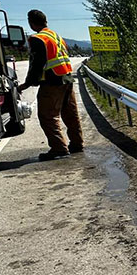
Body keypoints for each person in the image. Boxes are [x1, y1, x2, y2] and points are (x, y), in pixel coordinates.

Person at [17, 9, 84, 161]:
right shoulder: (57, 37)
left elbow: (36, 64)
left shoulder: (37, 38)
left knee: (47, 116)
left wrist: (27, 84)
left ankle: (59, 148)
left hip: (52, 82)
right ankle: (77, 143)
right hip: (66, 78)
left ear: (31, 23)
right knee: (70, 114)